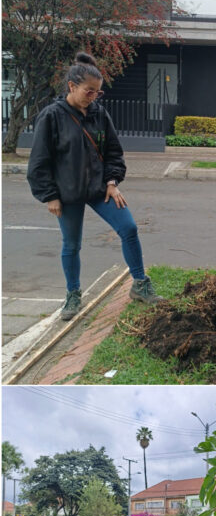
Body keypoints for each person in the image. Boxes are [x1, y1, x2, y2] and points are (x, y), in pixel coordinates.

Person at [27, 53, 164, 320]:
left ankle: (140, 284)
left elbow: (114, 151)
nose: (93, 97)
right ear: (71, 86)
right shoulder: (52, 117)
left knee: (129, 228)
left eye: (97, 93)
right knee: (72, 245)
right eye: (89, 91)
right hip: (67, 194)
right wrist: (50, 196)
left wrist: (112, 182)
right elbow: (39, 162)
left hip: (101, 188)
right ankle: (73, 295)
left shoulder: (100, 114)